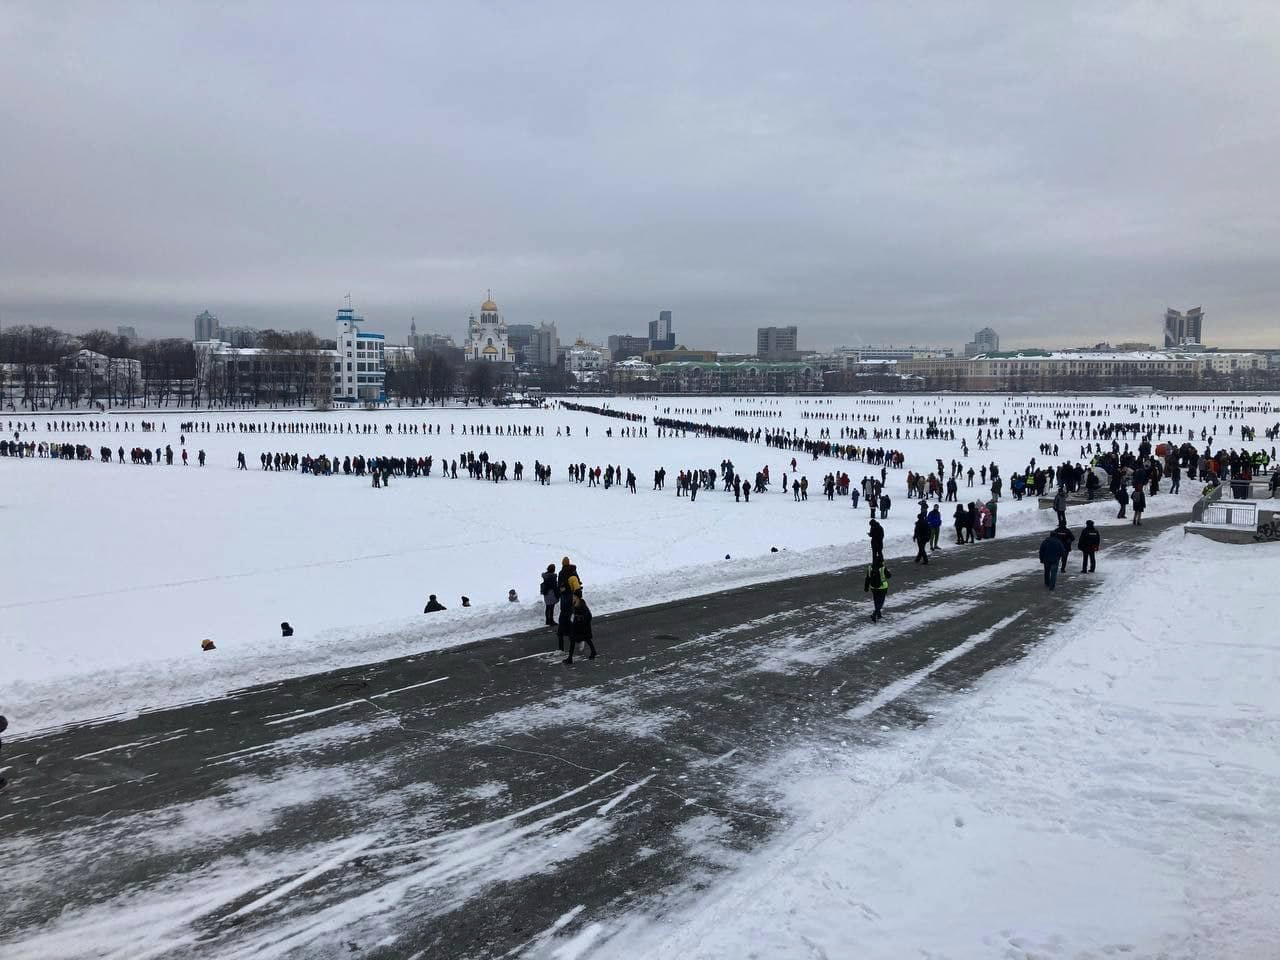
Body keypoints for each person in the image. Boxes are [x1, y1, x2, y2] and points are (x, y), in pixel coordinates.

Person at [564, 594, 596, 664]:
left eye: (574, 597)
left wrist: (579, 618)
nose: (572, 598)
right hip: (576, 627)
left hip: (582, 627)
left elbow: (588, 616)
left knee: (586, 639)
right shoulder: (574, 604)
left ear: (578, 598)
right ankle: (570, 658)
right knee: (576, 640)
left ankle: (570, 659)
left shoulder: (582, 606)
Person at [863, 557, 891, 622]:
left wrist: (866, 587)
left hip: (873, 588)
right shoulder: (883, 568)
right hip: (882, 588)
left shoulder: (870, 568)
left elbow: (867, 578)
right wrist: (887, 570)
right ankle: (874, 614)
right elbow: (889, 576)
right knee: (880, 603)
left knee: (876, 601)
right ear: (881, 562)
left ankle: (879, 615)